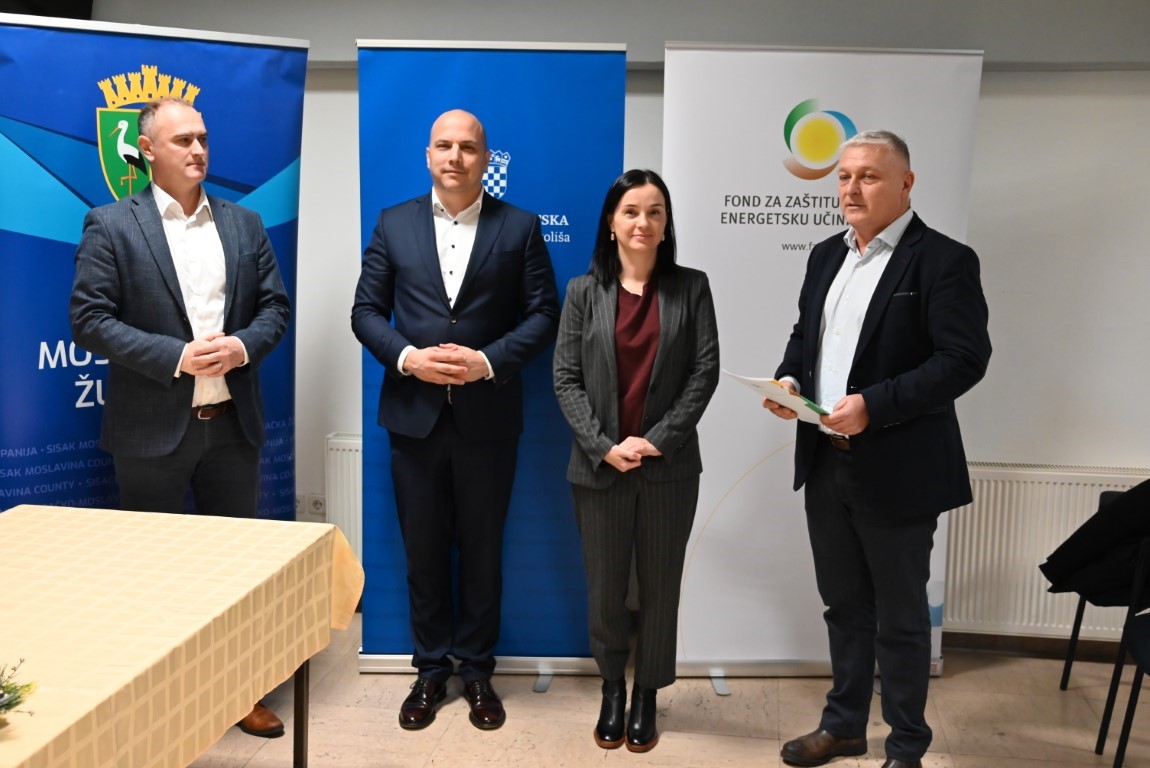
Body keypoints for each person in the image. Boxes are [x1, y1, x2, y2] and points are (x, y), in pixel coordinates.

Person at [764, 130, 991, 768]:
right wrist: (789, 381)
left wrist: (875, 404)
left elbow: (964, 359)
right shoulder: (824, 256)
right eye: (843, 176)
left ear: (906, 184)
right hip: (825, 460)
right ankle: (843, 727)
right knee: (844, 607)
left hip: (900, 467)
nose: (851, 189)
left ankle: (907, 745)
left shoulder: (943, 260)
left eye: (867, 176)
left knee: (901, 617)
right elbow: (806, 336)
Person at [70, 97, 292, 738]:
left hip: (232, 426)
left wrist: (241, 346)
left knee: (234, 572)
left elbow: (275, 309)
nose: (198, 150)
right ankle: (157, 700)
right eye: (182, 140)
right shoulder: (111, 224)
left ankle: (240, 691)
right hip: (150, 429)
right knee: (152, 574)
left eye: (202, 138)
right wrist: (177, 357)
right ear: (147, 151)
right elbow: (89, 319)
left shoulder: (245, 223)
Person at [351, 109, 559, 731]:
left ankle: (477, 670)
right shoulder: (393, 222)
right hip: (413, 419)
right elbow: (366, 312)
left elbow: (544, 314)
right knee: (423, 552)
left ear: (485, 159)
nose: (455, 157)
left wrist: (486, 362)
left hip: (487, 421)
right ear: (428, 155)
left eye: (468, 147)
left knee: (483, 551)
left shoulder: (519, 227)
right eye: (444, 145)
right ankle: (429, 669)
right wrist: (409, 358)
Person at [553, 169, 720, 753]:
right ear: (611, 222)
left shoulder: (691, 287)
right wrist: (604, 446)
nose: (643, 222)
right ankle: (612, 690)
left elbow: (704, 372)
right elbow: (565, 378)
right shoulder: (583, 291)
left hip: (668, 469)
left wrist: (656, 440)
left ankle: (647, 691)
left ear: (666, 223)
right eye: (631, 211)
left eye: (655, 212)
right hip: (598, 468)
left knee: (658, 587)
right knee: (605, 590)